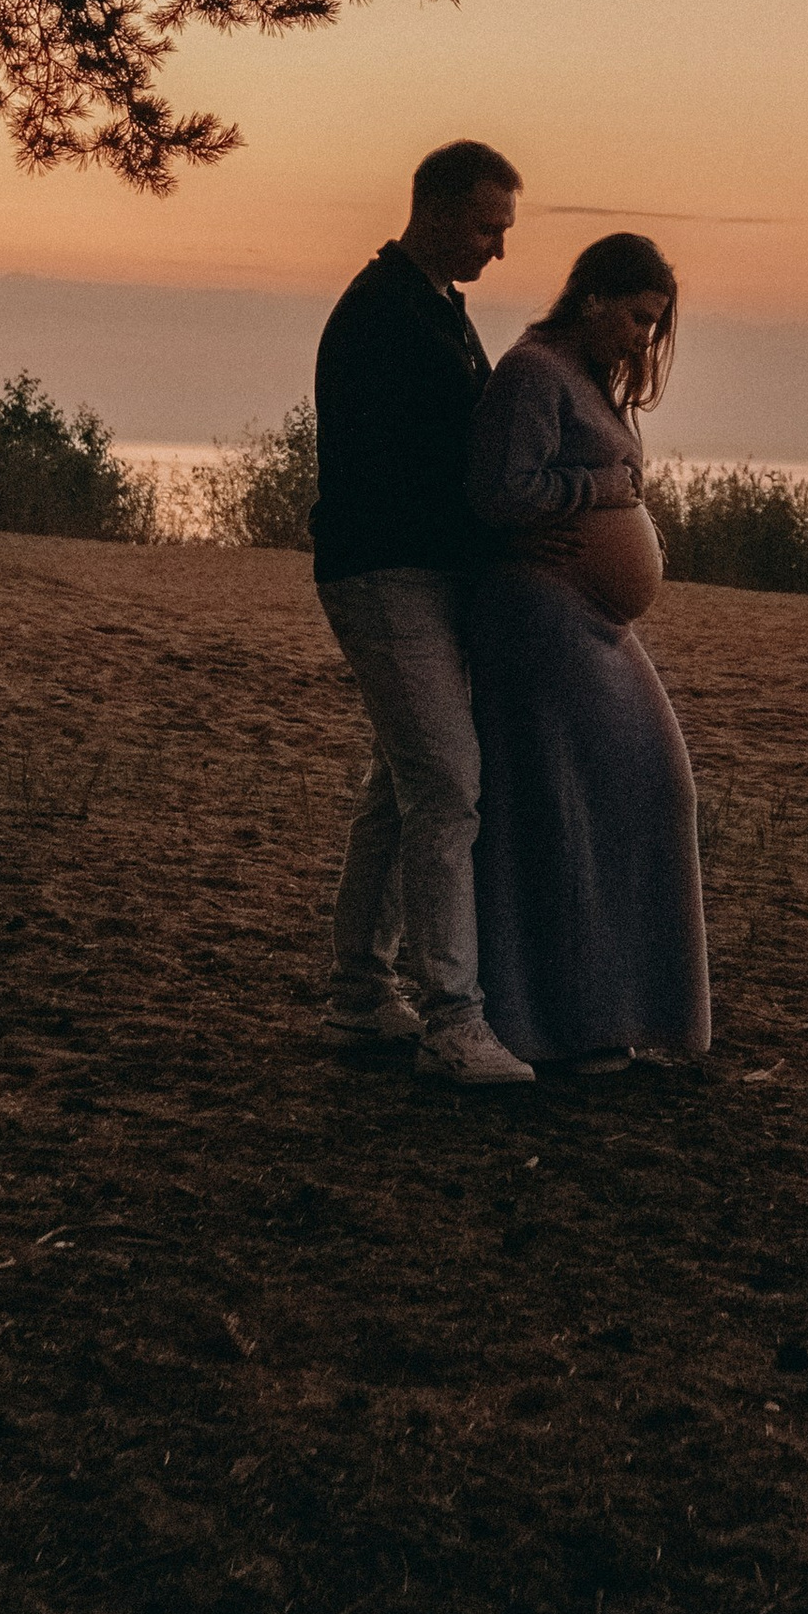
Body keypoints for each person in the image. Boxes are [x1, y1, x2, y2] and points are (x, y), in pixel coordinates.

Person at [311, 141, 537, 1085]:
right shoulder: (382, 317)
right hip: (386, 575)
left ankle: (362, 990)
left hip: (417, 575)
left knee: (399, 785)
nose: (497, 248)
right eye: (488, 226)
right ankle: (454, 1020)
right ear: (437, 210)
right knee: (447, 784)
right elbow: (420, 470)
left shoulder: (438, 309)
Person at [463, 233, 711, 1071]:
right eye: (639, 318)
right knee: (564, 813)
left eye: (656, 325)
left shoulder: (589, 383)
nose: (645, 338)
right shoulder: (533, 373)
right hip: (540, 621)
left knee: (653, 788)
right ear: (594, 296)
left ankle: (623, 1014)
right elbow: (499, 492)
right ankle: (571, 1028)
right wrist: (598, 491)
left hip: (595, 625)